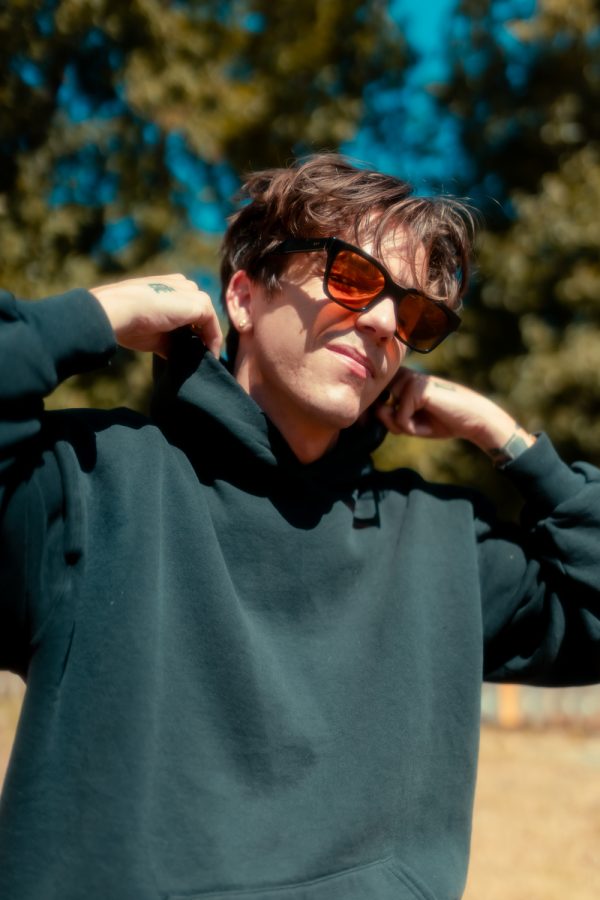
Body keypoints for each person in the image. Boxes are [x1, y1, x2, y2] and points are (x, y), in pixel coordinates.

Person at [0, 154, 598, 900]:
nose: (384, 322)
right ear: (244, 297)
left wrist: (506, 439)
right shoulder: (91, 483)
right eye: (353, 277)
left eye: (415, 314)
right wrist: (91, 316)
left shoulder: (439, 543)